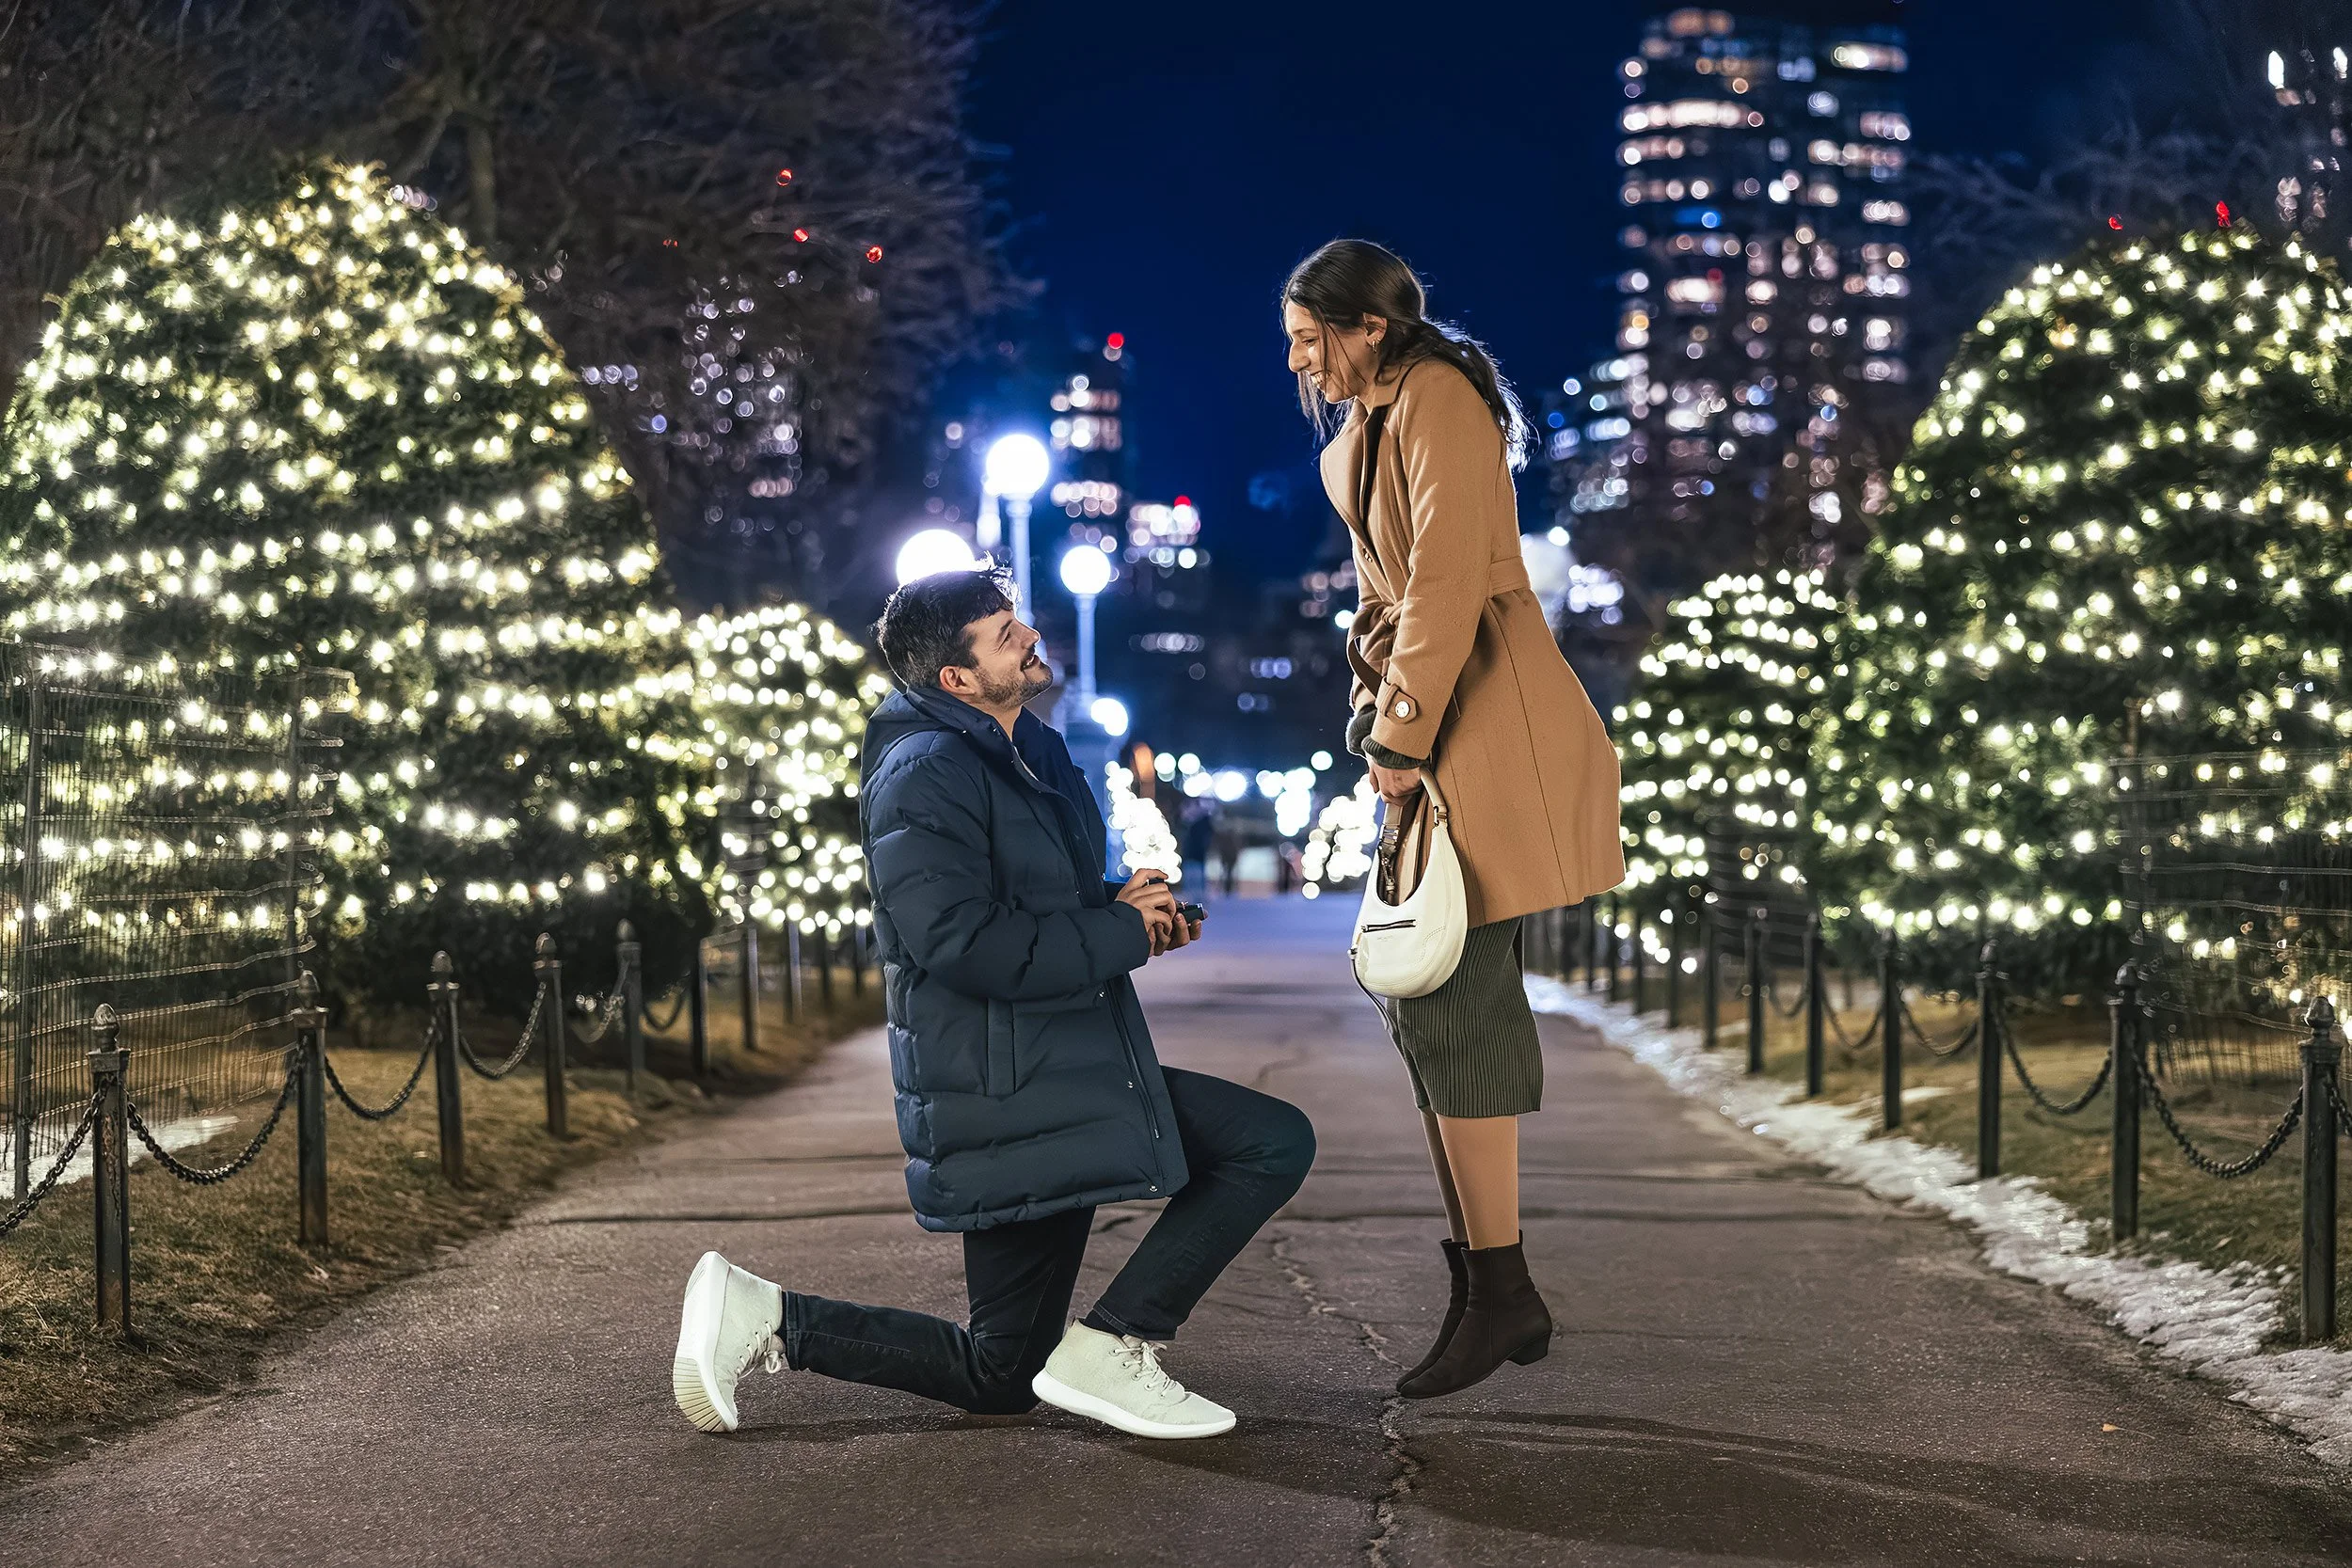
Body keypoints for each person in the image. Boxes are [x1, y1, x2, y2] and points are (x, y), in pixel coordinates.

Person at [672, 568, 1316, 1440]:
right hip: (1008, 1080)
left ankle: (769, 1314)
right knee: (1269, 1141)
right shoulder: (925, 771)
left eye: (1017, 621)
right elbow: (963, 941)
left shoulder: (1025, 751)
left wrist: (1127, 906)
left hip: (1054, 1059)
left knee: (1002, 1372)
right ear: (958, 680)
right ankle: (1117, 1341)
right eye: (1002, 631)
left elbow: (1029, 898)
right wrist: (1118, 932)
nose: (1027, 635)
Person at [1281, 239, 1623, 1399]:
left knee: (1459, 1001)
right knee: (1426, 1005)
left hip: (1476, 720)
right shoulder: (1365, 429)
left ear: (1366, 325)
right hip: (1430, 728)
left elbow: (1439, 584)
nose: (1297, 360)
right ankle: (1489, 1287)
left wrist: (1399, 732)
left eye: (1308, 336)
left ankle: (1502, 1286)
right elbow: (1386, 595)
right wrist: (1375, 708)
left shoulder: (1437, 398)